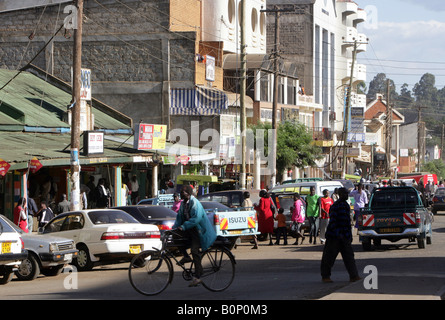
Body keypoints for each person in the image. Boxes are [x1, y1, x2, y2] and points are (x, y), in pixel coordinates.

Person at [172, 185, 217, 287]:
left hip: (199, 231)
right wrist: (174, 228)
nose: (181, 194)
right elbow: (179, 218)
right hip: (189, 229)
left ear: (188, 193)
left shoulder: (195, 203)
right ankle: (186, 257)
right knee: (176, 236)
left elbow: (196, 218)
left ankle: (198, 276)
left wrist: (183, 227)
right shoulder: (183, 204)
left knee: (194, 250)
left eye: (182, 192)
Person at [321, 188, 360, 283]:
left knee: (349, 257)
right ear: (340, 194)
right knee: (329, 257)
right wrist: (338, 235)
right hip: (335, 236)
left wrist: (348, 236)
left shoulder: (345, 205)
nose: (346, 195)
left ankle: (354, 276)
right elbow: (334, 221)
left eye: (347, 194)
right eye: (344, 194)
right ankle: (325, 276)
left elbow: (347, 223)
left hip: (344, 235)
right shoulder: (336, 205)